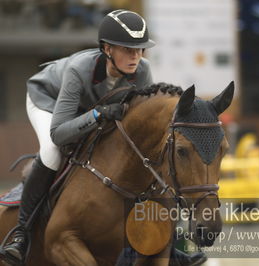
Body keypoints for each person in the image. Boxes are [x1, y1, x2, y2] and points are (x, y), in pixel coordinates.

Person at [0, 9, 204, 266]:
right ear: (107, 49)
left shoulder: (142, 70)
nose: (136, 56)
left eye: (140, 49)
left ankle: (171, 246)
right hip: (49, 101)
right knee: (52, 151)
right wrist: (97, 115)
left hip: (91, 109)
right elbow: (60, 132)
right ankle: (21, 235)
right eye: (128, 49)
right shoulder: (78, 70)